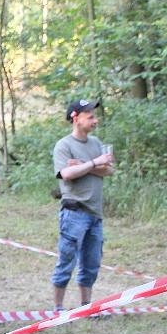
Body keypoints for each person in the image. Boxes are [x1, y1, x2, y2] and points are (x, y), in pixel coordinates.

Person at [51, 99, 115, 310]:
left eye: (95, 117)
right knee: (66, 261)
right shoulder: (64, 145)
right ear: (76, 118)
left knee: (91, 263)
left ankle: (86, 306)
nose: (95, 121)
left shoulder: (96, 143)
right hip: (74, 212)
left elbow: (109, 169)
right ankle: (58, 308)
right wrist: (94, 163)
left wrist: (84, 166)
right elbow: (66, 174)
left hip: (95, 213)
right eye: (90, 117)